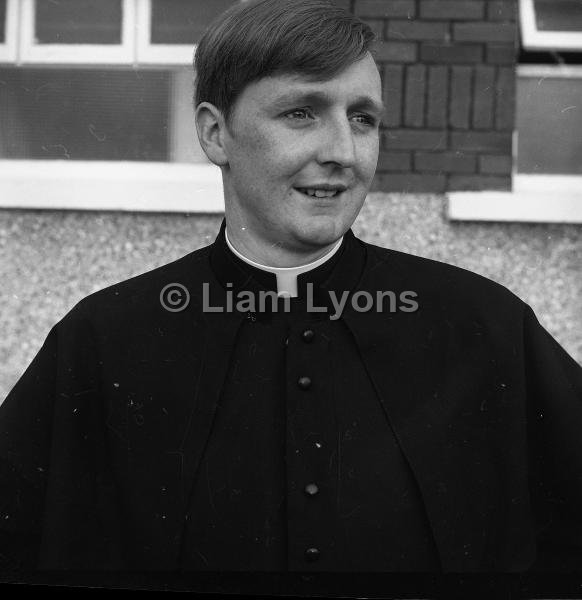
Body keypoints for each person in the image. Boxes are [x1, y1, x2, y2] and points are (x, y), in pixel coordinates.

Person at [1, 0, 582, 585]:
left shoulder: (483, 325)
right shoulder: (103, 340)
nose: (343, 153)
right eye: (302, 112)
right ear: (214, 133)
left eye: (362, 118)